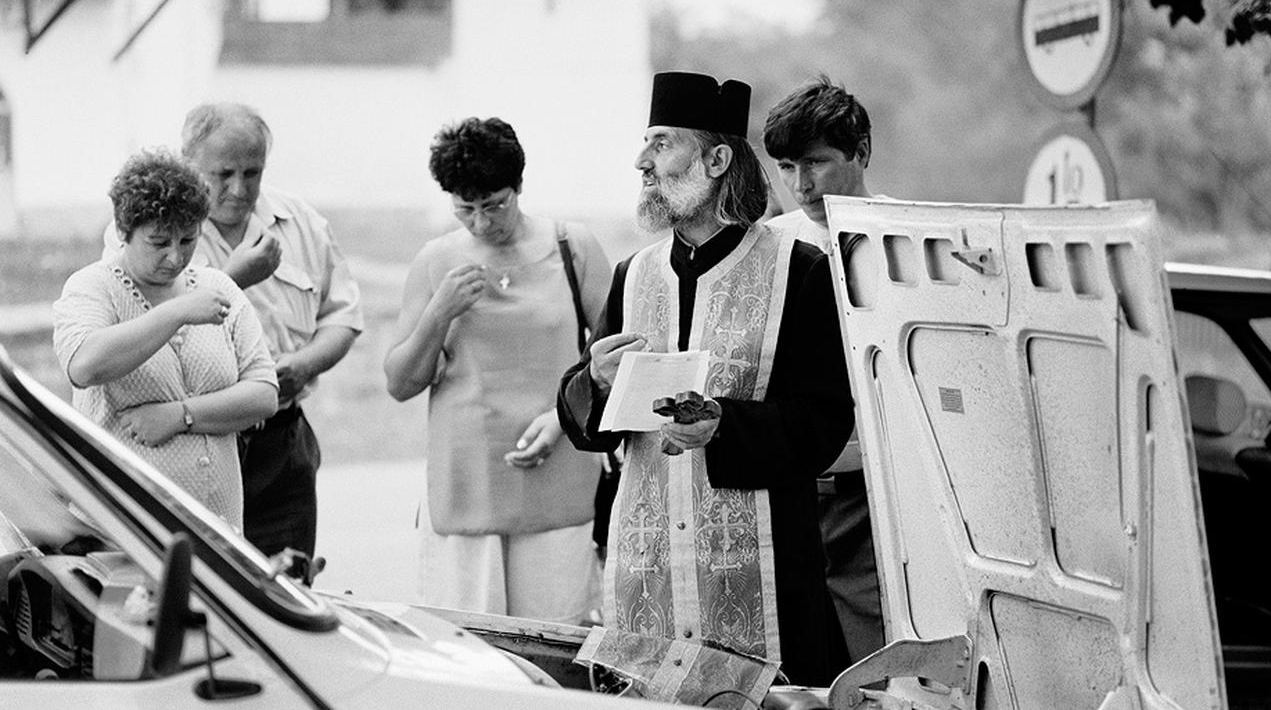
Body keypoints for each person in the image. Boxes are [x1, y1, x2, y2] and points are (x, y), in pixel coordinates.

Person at [557, 71, 855, 696]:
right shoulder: (632, 275)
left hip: (766, 570)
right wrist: (596, 381)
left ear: (717, 161)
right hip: (649, 572)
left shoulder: (799, 270)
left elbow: (826, 420)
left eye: (662, 143)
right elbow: (584, 421)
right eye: (646, 143)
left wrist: (724, 426)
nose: (642, 162)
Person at [101, 102, 364, 561]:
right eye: (223, 174)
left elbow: (343, 316)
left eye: (252, 172)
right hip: (185, 443)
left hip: (280, 440)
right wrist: (233, 277)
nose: (239, 189)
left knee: (284, 585)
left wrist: (303, 365)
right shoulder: (148, 228)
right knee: (197, 583)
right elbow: (133, 328)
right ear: (188, 161)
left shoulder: (300, 221)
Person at [384, 117, 612, 623]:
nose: (482, 223)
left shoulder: (573, 248)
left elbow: (614, 358)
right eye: (465, 209)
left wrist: (562, 417)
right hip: (467, 481)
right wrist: (439, 311)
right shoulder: (435, 260)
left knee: (555, 635)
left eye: (494, 205)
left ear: (519, 186)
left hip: (559, 471)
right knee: (470, 641)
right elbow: (400, 382)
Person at [54, 149, 279, 527]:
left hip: (216, 527)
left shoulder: (217, 287)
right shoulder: (91, 286)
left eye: (188, 240)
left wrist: (181, 416)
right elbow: (85, 366)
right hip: (123, 530)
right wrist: (175, 313)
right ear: (123, 232)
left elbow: (264, 393)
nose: (175, 258)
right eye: (159, 243)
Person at [763, 75, 886, 662]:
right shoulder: (766, 247)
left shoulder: (908, 241)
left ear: (860, 151)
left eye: (815, 162)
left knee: (881, 666)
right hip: (787, 493)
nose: (800, 185)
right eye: (787, 167)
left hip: (879, 495)